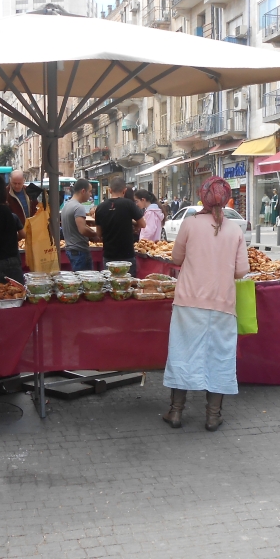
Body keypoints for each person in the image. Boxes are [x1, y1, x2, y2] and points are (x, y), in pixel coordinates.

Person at [162, 177, 249, 432]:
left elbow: (176, 257)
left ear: (203, 197)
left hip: (188, 301)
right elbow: (241, 271)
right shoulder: (234, 230)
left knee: (182, 353)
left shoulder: (190, 223)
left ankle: (176, 412)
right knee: (219, 357)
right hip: (222, 303)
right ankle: (212, 416)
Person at [94, 176, 146, 277]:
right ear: (124, 190)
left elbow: (98, 234)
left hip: (109, 255)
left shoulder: (100, 207)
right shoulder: (129, 204)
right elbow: (143, 224)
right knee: (128, 283)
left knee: (110, 283)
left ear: (110, 190)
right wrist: (133, 224)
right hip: (127, 255)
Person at [61, 179, 98, 271]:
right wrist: (95, 234)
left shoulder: (66, 206)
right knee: (85, 278)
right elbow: (83, 229)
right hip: (80, 251)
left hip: (71, 249)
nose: (90, 194)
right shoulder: (78, 207)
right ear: (83, 191)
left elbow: (81, 226)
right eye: (90, 191)